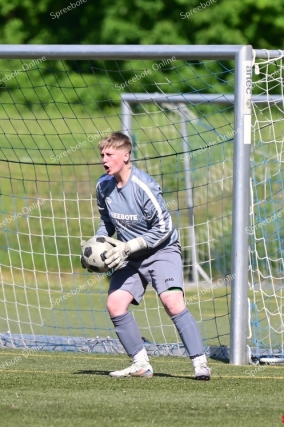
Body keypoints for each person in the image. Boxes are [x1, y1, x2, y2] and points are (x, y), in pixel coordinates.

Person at [94, 131, 211, 380]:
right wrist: (99, 247)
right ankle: (141, 365)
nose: (104, 159)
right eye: (102, 154)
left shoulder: (144, 187)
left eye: (109, 154)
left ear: (126, 156)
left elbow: (164, 229)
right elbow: (106, 222)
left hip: (161, 250)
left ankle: (201, 364)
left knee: (173, 302)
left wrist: (128, 246)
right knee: (115, 304)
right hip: (129, 255)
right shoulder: (103, 186)